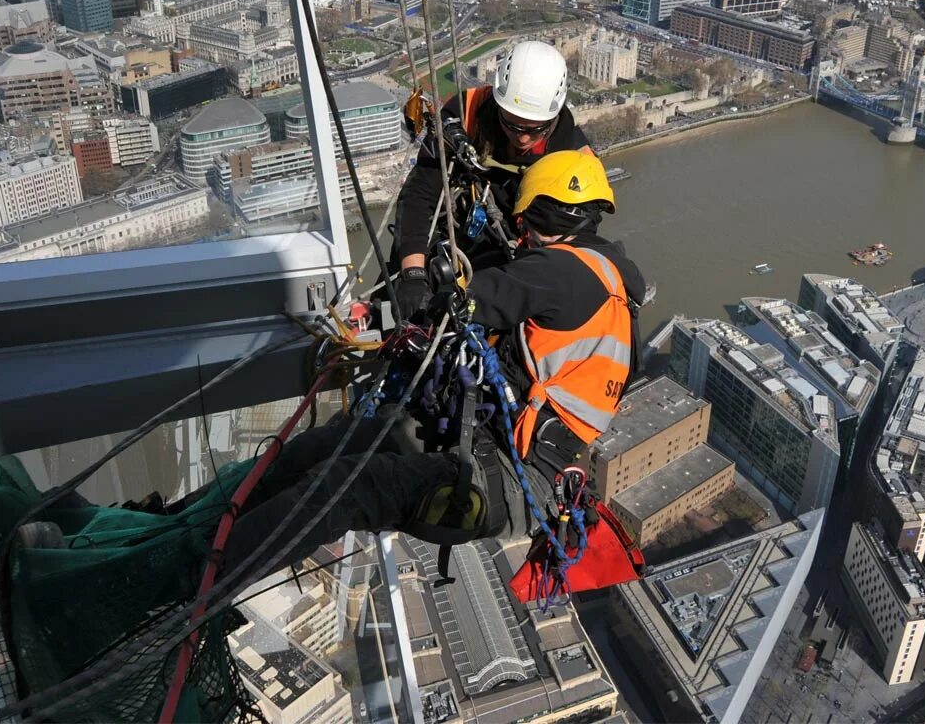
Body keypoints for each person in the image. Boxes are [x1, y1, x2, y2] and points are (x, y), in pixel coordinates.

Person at [215, 149, 645, 573]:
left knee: (346, 488)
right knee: (329, 447)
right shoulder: (619, 299)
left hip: (500, 481)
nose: (521, 240)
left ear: (541, 217)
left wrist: (412, 292)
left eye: (524, 226)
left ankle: (206, 569)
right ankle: (201, 534)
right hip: (502, 462)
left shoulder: (564, 270)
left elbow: (467, 300)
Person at [388, 40, 592, 320]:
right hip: (456, 244)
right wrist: (413, 274)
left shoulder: (574, 157)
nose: (521, 137)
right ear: (497, 103)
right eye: (512, 123)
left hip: (521, 264)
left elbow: (581, 237)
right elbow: (420, 193)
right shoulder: (466, 114)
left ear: (554, 117)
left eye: (534, 130)